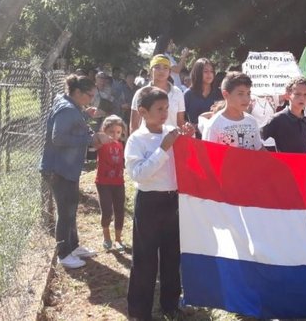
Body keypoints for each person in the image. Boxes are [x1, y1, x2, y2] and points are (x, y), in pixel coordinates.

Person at [124, 87, 193, 320]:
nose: (165, 113)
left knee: (172, 257)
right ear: (143, 112)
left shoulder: (172, 132)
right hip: (149, 202)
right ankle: (139, 311)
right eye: (159, 109)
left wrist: (188, 140)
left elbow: (184, 164)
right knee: (145, 259)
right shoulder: (137, 140)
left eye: (167, 108)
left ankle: (170, 305)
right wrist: (164, 148)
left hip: (173, 200)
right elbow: (140, 174)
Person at [40, 74, 110, 269]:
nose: (91, 99)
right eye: (89, 95)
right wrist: (91, 140)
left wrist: (87, 116)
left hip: (66, 168)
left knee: (71, 208)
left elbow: (75, 126)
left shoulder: (70, 104)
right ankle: (64, 253)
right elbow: (58, 139)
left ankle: (73, 246)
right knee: (65, 212)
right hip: (58, 169)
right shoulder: (68, 110)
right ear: (77, 92)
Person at [203, 72, 264, 150]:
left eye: (248, 93)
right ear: (226, 95)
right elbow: (208, 157)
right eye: (240, 94)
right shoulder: (214, 125)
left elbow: (260, 150)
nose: (246, 99)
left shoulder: (252, 121)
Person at [130, 55, 185, 134]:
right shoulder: (140, 93)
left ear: (169, 72)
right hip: (146, 143)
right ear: (150, 70)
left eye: (165, 67)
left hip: (171, 142)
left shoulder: (177, 93)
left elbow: (180, 123)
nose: (161, 71)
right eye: (157, 67)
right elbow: (134, 126)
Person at [95, 115, 127, 252]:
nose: (115, 135)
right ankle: (106, 236)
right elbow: (95, 139)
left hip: (118, 182)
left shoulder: (120, 145)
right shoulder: (101, 144)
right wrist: (101, 137)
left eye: (118, 132)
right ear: (105, 131)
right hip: (103, 183)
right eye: (111, 132)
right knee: (107, 210)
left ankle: (118, 239)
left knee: (120, 210)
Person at [262, 76, 306, 153]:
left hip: (305, 163)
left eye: (305, 94)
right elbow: (257, 138)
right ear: (288, 95)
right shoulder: (277, 119)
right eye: (297, 94)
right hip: (284, 164)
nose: (302, 98)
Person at [184, 58, 221, 138]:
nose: (209, 74)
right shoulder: (188, 94)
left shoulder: (219, 93)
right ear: (197, 73)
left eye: (211, 71)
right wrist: (190, 126)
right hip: (195, 138)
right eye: (205, 71)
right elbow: (182, 118)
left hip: (215, 137)